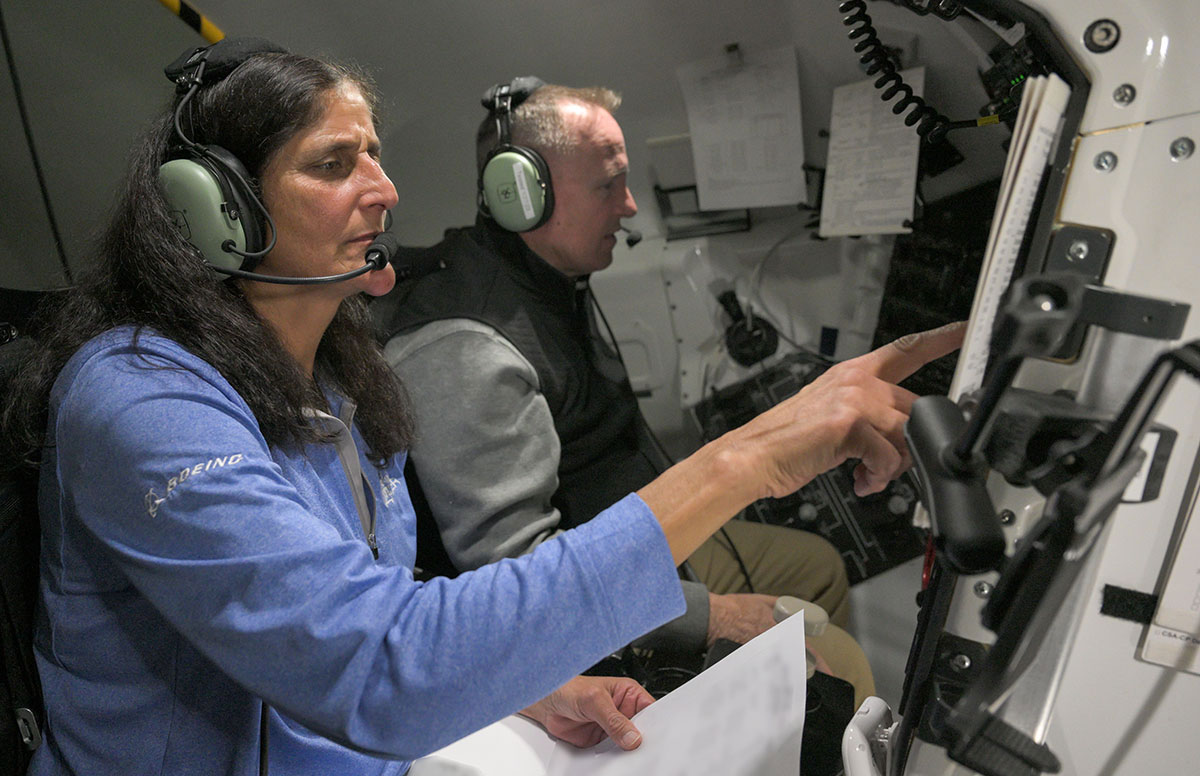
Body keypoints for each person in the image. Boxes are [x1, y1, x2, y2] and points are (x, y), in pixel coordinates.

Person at [0, 40, 962, 775]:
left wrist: (528, 685)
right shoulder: (139, 398)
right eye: (335, 164)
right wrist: (748, 457)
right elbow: (376, 666)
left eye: (375, 156)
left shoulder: (331, 377)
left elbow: (372, 595)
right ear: (215, 207)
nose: (384, 191)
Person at [373, 80, 881, 689]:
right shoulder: (466, 346)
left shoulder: (549, 282)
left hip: (629, 536)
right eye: (607, 184)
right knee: (843, 666)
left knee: (818, 566)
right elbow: (518, 582)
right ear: (521, 195)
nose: (631, 206)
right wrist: (708, 615)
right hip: (578, 592)